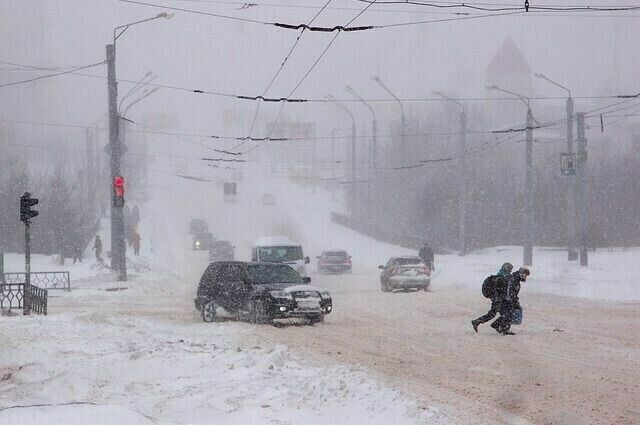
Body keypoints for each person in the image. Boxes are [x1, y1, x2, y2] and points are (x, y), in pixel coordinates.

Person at [471, 263, 512, 333]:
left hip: (496, 299)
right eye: (509, 270)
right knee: (505, 313)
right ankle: (502, 328)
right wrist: (500, 298)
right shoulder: (501, 278)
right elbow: (499, 290)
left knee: (494, 314)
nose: (510, 271)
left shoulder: (501, 276)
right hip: (498, 299)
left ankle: (478, 322)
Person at [492, 266, 530, 335]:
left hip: (505, 298)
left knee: (508, 313)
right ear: (522, 273)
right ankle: (504, 329)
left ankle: (498, 325)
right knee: (509, 313)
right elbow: (510, 292)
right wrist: (514, 301)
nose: (525, 277)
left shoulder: (515, 278)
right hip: (505, 299)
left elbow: (512, 292)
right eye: (526, 275)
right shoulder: (514, 279)